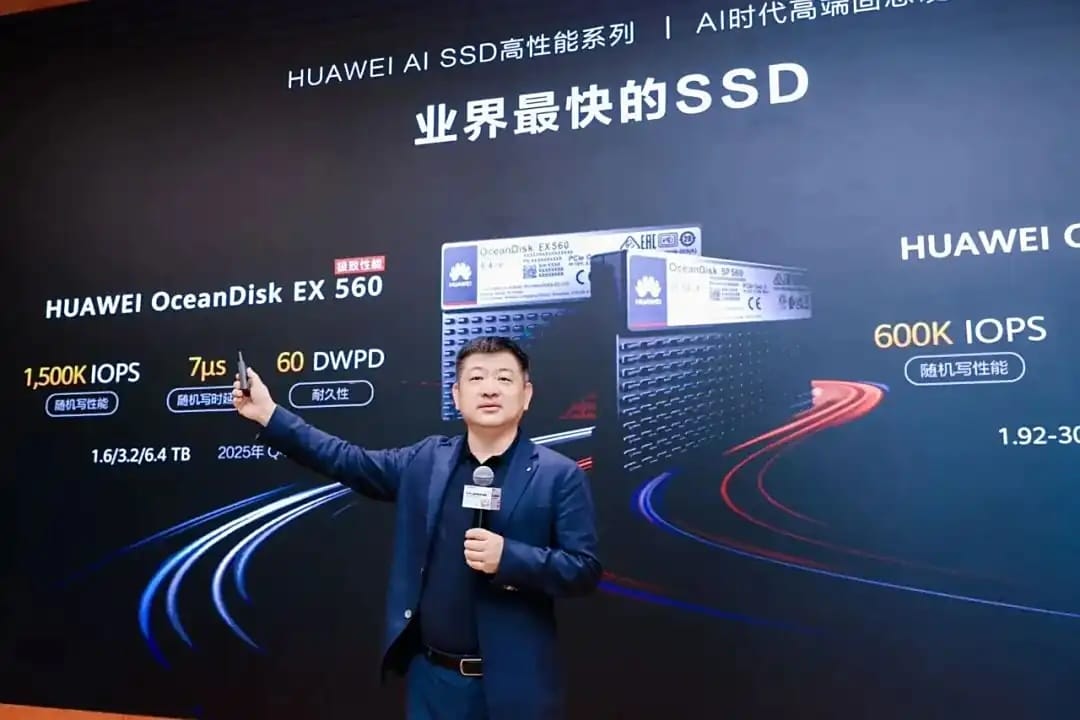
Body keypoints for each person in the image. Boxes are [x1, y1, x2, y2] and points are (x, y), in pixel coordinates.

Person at [232, 336, 602, 720]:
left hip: (516, 686)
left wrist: (509, 558)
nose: (490, 388)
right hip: (432, 681)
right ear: (457, 396)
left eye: (504, 379)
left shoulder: (559, 475)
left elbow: (584, 568)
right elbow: (347, 460)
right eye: (477, 378)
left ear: (526, 395)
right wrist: (269, 414)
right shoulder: (426, 460)